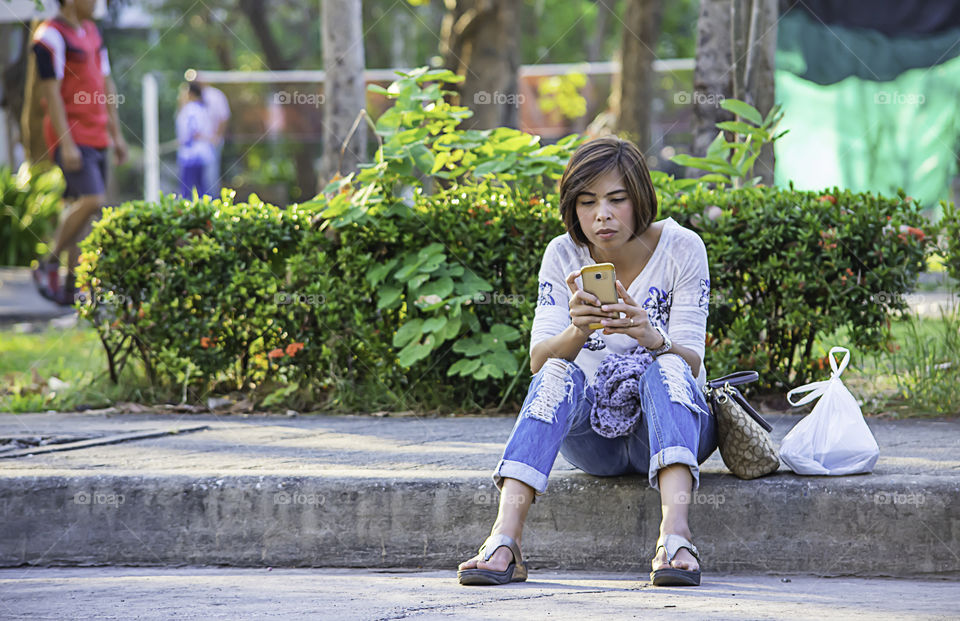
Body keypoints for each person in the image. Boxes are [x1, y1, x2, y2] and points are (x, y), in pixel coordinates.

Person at [457, 136, 717, 587]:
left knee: (668, 366)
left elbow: (693, 362)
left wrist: (649, 335)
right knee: (559, 370)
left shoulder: (682, 248)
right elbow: (539, 361)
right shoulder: (562, 254)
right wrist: (579, 330)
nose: (602, 215)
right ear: (572, 208)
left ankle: (675, 537)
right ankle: (504, 540)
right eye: (587, 202)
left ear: (640, 200)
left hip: (674, 426)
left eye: (617, 199)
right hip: (594, 439)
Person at [31, 0, 128, 305]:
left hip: (98, 134)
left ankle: (72, 285)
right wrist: (66, 142)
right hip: (73, 137)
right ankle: (47, 262)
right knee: (92, 200)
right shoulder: (49, 36)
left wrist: (117, 133)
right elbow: (51, 95)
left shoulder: (92, 32)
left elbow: (106, 84)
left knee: (83, 211)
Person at [175, 82, 215, 198]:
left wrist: (186, 140)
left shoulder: (191, 109)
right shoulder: (202, 108)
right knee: (201, 188)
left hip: (191, 155)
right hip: (201, 153)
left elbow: (192, 130)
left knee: (188, 190)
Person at [198, 81, 230, 195]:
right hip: (198, 146)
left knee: (210, 176)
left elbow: (223, 117)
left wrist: (216, 137)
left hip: (211, 143)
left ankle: (211, 202)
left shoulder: (215, 95)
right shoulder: (191, 97)